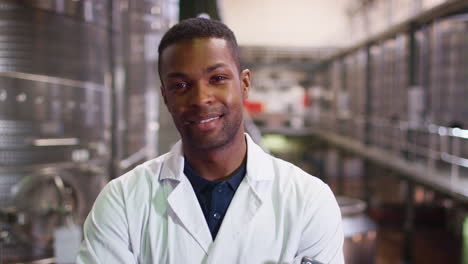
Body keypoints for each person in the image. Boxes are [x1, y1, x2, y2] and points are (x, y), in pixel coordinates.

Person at [76, 17, 344, 264]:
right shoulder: (122, 200)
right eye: (180, 85)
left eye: (217, 79)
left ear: (245, 84)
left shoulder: (308, 200)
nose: (200, 98)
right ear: (165, 97)